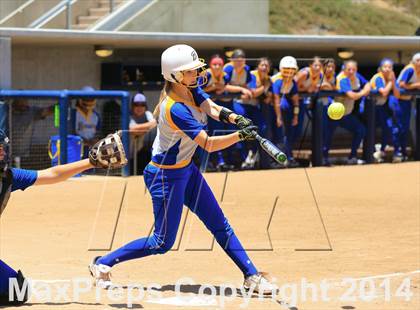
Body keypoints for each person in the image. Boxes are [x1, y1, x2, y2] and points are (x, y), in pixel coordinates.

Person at [89, 44, 277, 295]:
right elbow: (208, 144)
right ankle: (102, 263)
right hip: (164, 177)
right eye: (190, 71)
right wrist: (241, 136)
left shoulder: (191, 89)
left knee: (219, 223)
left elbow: (213, 108)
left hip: (186, 171)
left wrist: (236, 119)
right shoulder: (175, 108)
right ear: (174, 76)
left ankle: (251, 276)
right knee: (161, 242)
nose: (196, 73)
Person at [0, 130, 126, 305]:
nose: (2, 153)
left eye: (2, 148)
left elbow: (52, 174)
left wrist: (90, 162)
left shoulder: (8, 177)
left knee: (18, 290)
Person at [323, 60, 370, 165]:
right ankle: (323, 158)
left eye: (353, 69)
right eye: (349, 69)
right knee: (327, 135)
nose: (351, 71)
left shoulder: (356, 75)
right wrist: (363, 92)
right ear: (344, 69)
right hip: (334, 113)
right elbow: (352, 95)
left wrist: (365, 89)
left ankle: (352, 157)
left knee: (361, 130)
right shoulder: (342, 79)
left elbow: (367, 84)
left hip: (346, 114)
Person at [223, 49, 255, 167]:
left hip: (238, 101)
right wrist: (241, 89)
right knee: (229, 129)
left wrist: (245, 90)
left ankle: (244, 157)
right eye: (237, 60)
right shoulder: (228, 68)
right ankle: (229, 160)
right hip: (225, 102)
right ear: (232, 61)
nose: (240, 62)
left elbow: (247, 85)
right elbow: (224, 86)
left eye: (242, 59)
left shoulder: (246, 69)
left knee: (242, 125)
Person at [201, 54, 231, 170]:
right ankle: (207, 163)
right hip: (202, 108)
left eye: (219, 64)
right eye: (214, 64)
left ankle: (219, 161)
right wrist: (213, 87)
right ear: (210, 65)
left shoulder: (225, 76)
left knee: (217, 133)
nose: (217, 66)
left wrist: (220, 88)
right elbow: (197, 90)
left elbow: (225, 88)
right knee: (204, 134)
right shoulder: (206, 74)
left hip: (215, 107)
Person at [369, 58, 399, 162]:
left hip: (381, 106)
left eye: (389, 67)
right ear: (380, 69)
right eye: (385, 67)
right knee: (369, 130)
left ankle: (382, 151)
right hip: (369, 107)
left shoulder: (390, 78)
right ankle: (370, 154)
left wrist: (393, 81)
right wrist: (391, 81)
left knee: (388, 127)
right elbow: (384, 92)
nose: (387, 69)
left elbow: (397, 94)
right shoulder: (378, 77)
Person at [271, 56, 300, 166]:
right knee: (278, 135)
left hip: (287, 112)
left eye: (292, 70)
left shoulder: (293, 82)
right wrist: (278, 117)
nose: (289, 72)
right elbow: (276, 100)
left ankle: (289, 156)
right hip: (273, 110)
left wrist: (296, 116)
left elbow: (296, 101)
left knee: (288, 134)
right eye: (286, 69)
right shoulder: (277, 81)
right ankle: (277, 159)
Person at [392, 52, 420, 162]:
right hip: (397, 100)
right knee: (397, 128)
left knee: (404, 128)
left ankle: (403, 153)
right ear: (414, 62)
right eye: (418, 61)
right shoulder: (410, 69)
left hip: (407, 101)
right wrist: (416, 85)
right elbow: (402, 84)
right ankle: (396, 153)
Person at [248, 57, 274, 168]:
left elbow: (270, 97)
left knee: (262, 130)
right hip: (244, 106)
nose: (264, 67)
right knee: (248, 132)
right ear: (258, 66)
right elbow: (253, 93)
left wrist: (267, 94)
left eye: (266, 65)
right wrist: (264, 88)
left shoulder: (269, 79)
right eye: (262, 65)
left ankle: (260, 159)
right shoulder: (252, 75)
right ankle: (248, 158)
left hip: (258, 108)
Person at [129, 93, 157, 174]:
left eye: (142, 105)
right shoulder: (129, 115)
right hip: (129, 153)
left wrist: (139, 130)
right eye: (136, 104)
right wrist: (146, 128)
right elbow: (131, 129)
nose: (139, 107)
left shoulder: (147, 113)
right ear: (132, 106)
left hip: (142, 150)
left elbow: (154, 123)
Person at [73, 86, 101, 158]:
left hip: (92, 149)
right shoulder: (74, 114)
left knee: (91, 167)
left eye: (91, 98)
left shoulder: (96, 115)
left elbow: (98, 131)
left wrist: (95, 140)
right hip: (76, 148)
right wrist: (86, 142)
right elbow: (71, 132)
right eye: (87, 99)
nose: (89, 101)